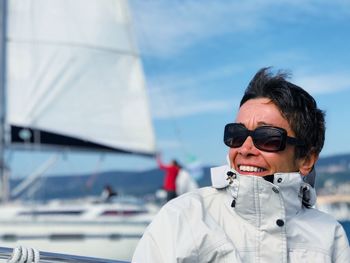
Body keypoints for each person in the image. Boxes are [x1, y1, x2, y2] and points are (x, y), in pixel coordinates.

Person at [132, 68, 350, 262]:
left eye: (267, 137)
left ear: (306, 160)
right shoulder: (182, 218)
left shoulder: (329, 237)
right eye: (236, 134)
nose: (244, 149)